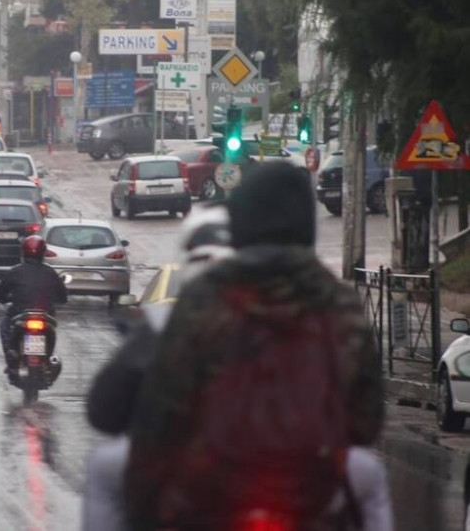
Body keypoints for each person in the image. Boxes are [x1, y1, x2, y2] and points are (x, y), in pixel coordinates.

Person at [124, 162, 387, 531]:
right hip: (311, 495)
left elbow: (163, 408)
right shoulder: (339, 302)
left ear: (242, 221)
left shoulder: (204, 297)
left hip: (211, 495)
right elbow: (367, 420)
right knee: (370, 476)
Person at [83, 204, 233, 531]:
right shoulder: (292, 315)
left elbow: (104, 411)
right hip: (279, 465)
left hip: (189, 462)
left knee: (103, 468)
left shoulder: (164, 323)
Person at [0, 235, 67, 373]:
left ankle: (11, 357)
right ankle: (47, 357)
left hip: (19, 313)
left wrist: (3, 298)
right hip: (45, 314)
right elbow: (63, 296)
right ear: (43, 252)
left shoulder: (15, 271)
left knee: (4, 326)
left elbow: (0, 294)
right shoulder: (50, 272)